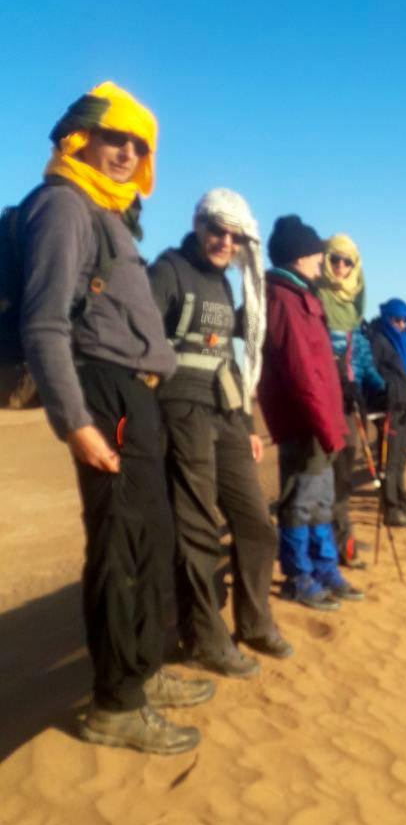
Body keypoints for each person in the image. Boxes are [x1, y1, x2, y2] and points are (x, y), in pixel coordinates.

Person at [18, 82, 205, 754]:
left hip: (136, 396)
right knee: (121, 546)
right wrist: (75, 421)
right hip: (104, 395)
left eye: (139, 144)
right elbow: (42, 325)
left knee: (150, 541)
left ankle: (145, 669)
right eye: (115, 137)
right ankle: (116, 703)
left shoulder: (110, 215)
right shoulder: (63, 206)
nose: (127, 152)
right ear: (79, 137)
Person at [148, 190, 292, 678]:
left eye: (233, 236)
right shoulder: (168, 269)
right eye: (216, 230)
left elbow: (229, 360)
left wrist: (247, 424)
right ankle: (204, 639)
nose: (224, 241)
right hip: (181, 411)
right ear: (199, 225)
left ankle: (254, 623)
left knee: (255, 523)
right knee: (197, 530)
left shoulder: (226, 286)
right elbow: (140, 336)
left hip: (227, 415)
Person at [257, 216, 363, 608]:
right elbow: (303, 373)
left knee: (320, 498)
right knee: (299, 502)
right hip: (304, 423)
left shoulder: (303, 296)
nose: (322, 261)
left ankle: (325, 568)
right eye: (318, 254)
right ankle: (298, 575)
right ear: (301, 257)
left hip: (320, 421)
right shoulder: (284, 300)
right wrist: (326, 425)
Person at [316, 233, 385, 568]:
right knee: (323, 478)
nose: (341, 267)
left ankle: (342, 540)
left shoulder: (353, 308)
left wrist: (381, 388)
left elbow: (362, 359)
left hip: (349, 404)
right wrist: (335, 380)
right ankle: (337, 545)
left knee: (343, 477)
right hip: (321, 401)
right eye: (335, 259)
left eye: (347, 261)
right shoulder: (314, 299)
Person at [368, 297, 406, 527]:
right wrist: (384, 393)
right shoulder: (377, 339)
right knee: (388, 461)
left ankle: (401, 502)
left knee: (400, 460)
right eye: (397, 319)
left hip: (402, 406)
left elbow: (405, 375)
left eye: (404, 320)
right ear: (387, 318)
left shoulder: (401, 341)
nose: (401, 324)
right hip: (387, 407)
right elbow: (370, 373)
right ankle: (391, 509)